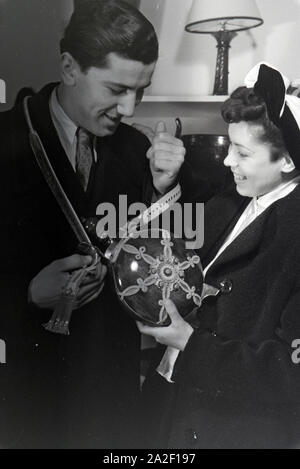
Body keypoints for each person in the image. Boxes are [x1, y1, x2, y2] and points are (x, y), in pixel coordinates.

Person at [0, 0, 198, 449]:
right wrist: (26, 295)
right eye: (116, 88)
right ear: (70, 68)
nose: (129, 108)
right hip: (25, 395)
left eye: (141, 91)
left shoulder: (137, 151)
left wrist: (166, 187)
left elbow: (169, 266)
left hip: (110, 391)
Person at [138, 63, 300, 449]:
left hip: (232, 429)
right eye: (230, 147)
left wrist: (191, 344)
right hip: (173, 400)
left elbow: (289, 373)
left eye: (242, 153)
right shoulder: (239, 196)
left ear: (288, 161)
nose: (228, 162)